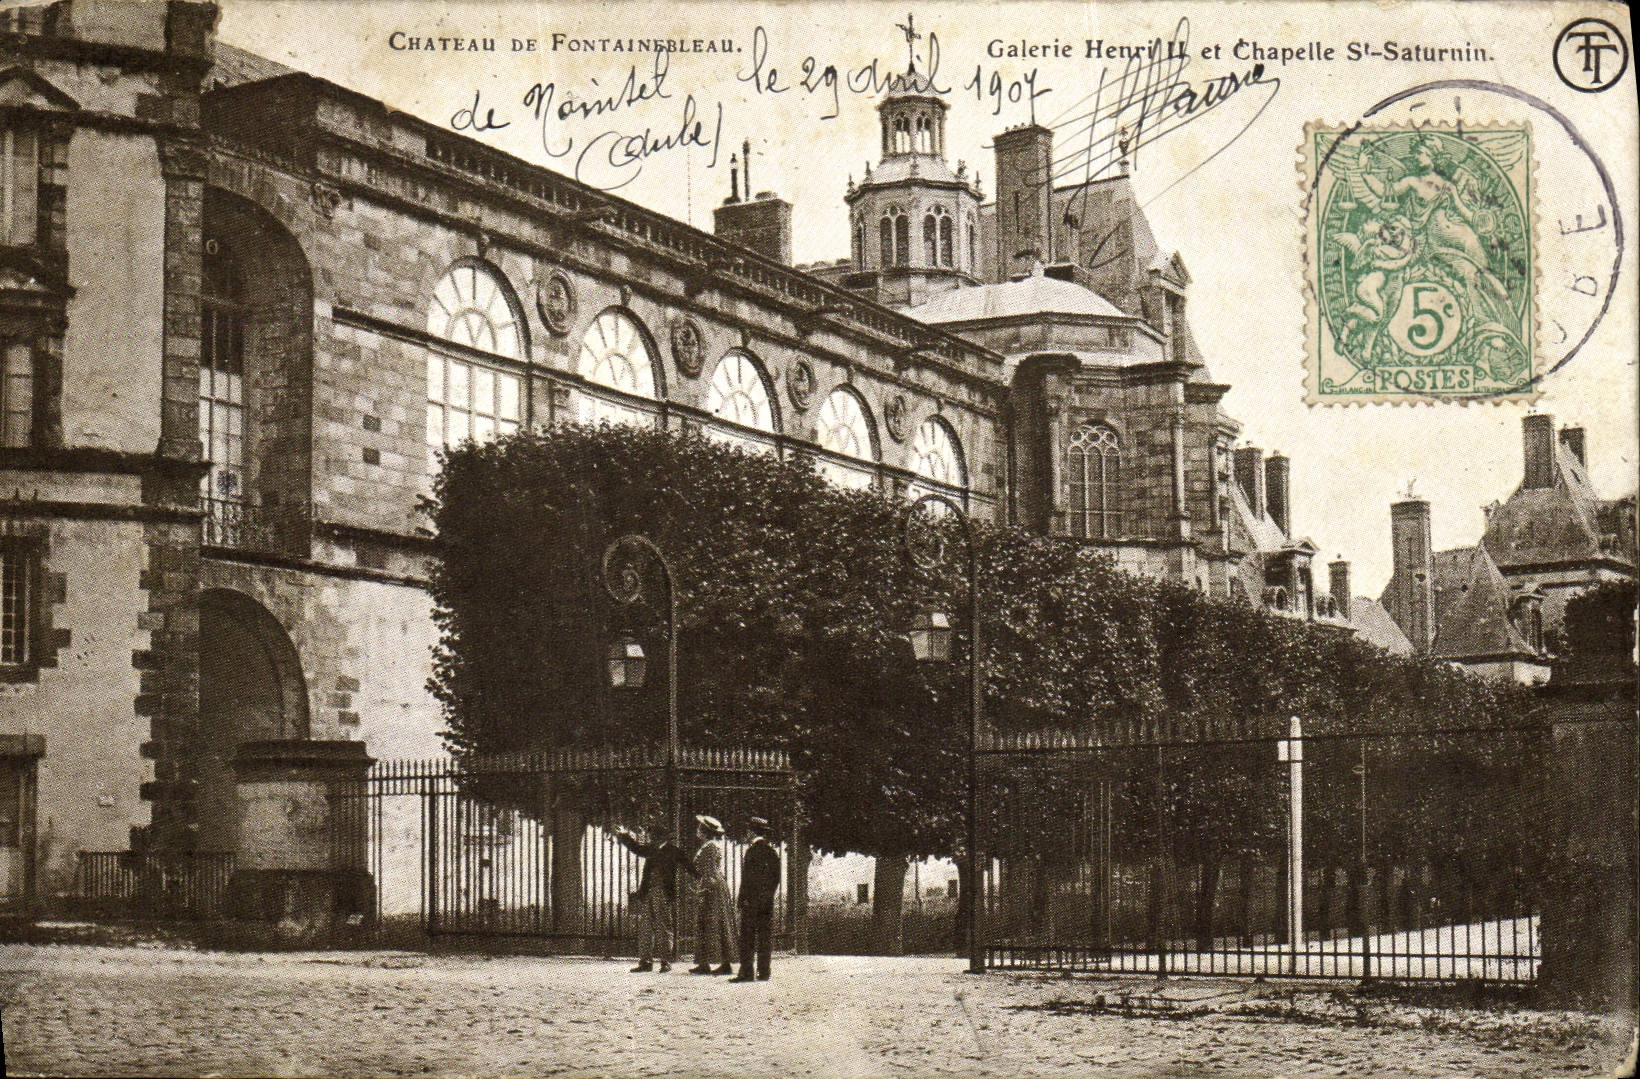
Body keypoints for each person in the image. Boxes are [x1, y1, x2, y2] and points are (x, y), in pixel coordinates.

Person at [613, 823, 695, 973]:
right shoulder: (652, 849)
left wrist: (701, 878)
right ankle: (645, 962)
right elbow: (637, 848)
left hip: (663, 893)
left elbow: (689, 866)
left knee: (663, 927)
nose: (649, 839)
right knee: (646, 927)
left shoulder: (673, 851)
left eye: (651, 836)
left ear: (658, 837)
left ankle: (665, 961)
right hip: (648, 892)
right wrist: (624, 835)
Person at [731, 816, 782, 982]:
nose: (745, 835)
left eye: (747, 831)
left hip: (751, 901)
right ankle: (764, 971)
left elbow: (747, 880)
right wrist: (768, 896)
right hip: (766, 902)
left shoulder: (752, 851)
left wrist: (742, 899)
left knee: (747, 937)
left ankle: (746, 972)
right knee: (765, 936)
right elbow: (776, 877)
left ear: (751, 832)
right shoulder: (771, 851)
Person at [688, 814, 736, 975]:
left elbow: (708, 870)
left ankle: (724, 963)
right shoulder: (709, 846)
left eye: (700, 828)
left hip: (712, 887)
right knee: (708, 923)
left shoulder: (709, 847)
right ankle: (704, 963)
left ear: (705, 831)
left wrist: (703, 890)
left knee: (715, 923)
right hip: (714, 885)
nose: (697, 830)